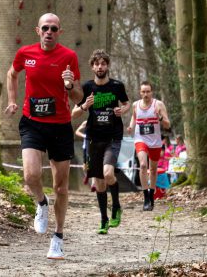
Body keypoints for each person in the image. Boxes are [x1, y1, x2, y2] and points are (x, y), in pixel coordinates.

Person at [5, 13, 83, 259]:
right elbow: (11, 74)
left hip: (60, 126)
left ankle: (58, 237)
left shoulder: (69, 56)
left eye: (54, 28)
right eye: (45, 28)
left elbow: (79, 98)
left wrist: (70, 85)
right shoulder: (25, 54)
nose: (49, 31)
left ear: (59, 32)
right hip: (32, 123)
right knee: (30, 175)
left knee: (61, 187)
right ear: (37, 30)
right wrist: (12, 101)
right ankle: (41, 202)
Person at [72, 49, 130, 234]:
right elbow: (73, 113)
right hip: (93, 139)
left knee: (108, 173)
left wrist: (123, 110)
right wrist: (84, 106)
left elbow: (127, 103)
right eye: (97, 64)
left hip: (113, 137)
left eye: (103, 64)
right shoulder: (87, 87)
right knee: (99, 181)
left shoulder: (117, 86)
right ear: (92, 67)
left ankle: (116, 208)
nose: (100, 67)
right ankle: (104, 220)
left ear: (107, 66)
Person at [127, 81, 170, 211]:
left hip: (155, 141)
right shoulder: (135, 105)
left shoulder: (158, 104)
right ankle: (145, 197)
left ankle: (152, 194)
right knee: (143, 165)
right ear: (140, 93)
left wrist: (160, 117)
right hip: (140, 139)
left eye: (148, 91)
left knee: (153, 169)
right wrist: (131, 127)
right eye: (143, 92)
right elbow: (134, 118)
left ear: (152, 92)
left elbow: (168, 125)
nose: (146, 94)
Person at [75, 119, 96, 192]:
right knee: (85, 167)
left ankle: (93, 184)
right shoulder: (86, 122)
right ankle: (87, 174)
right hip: (86, 146)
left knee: (93, 164)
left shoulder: (100, 122)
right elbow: (77, 132)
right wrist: (85, 136)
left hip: (95, 146)